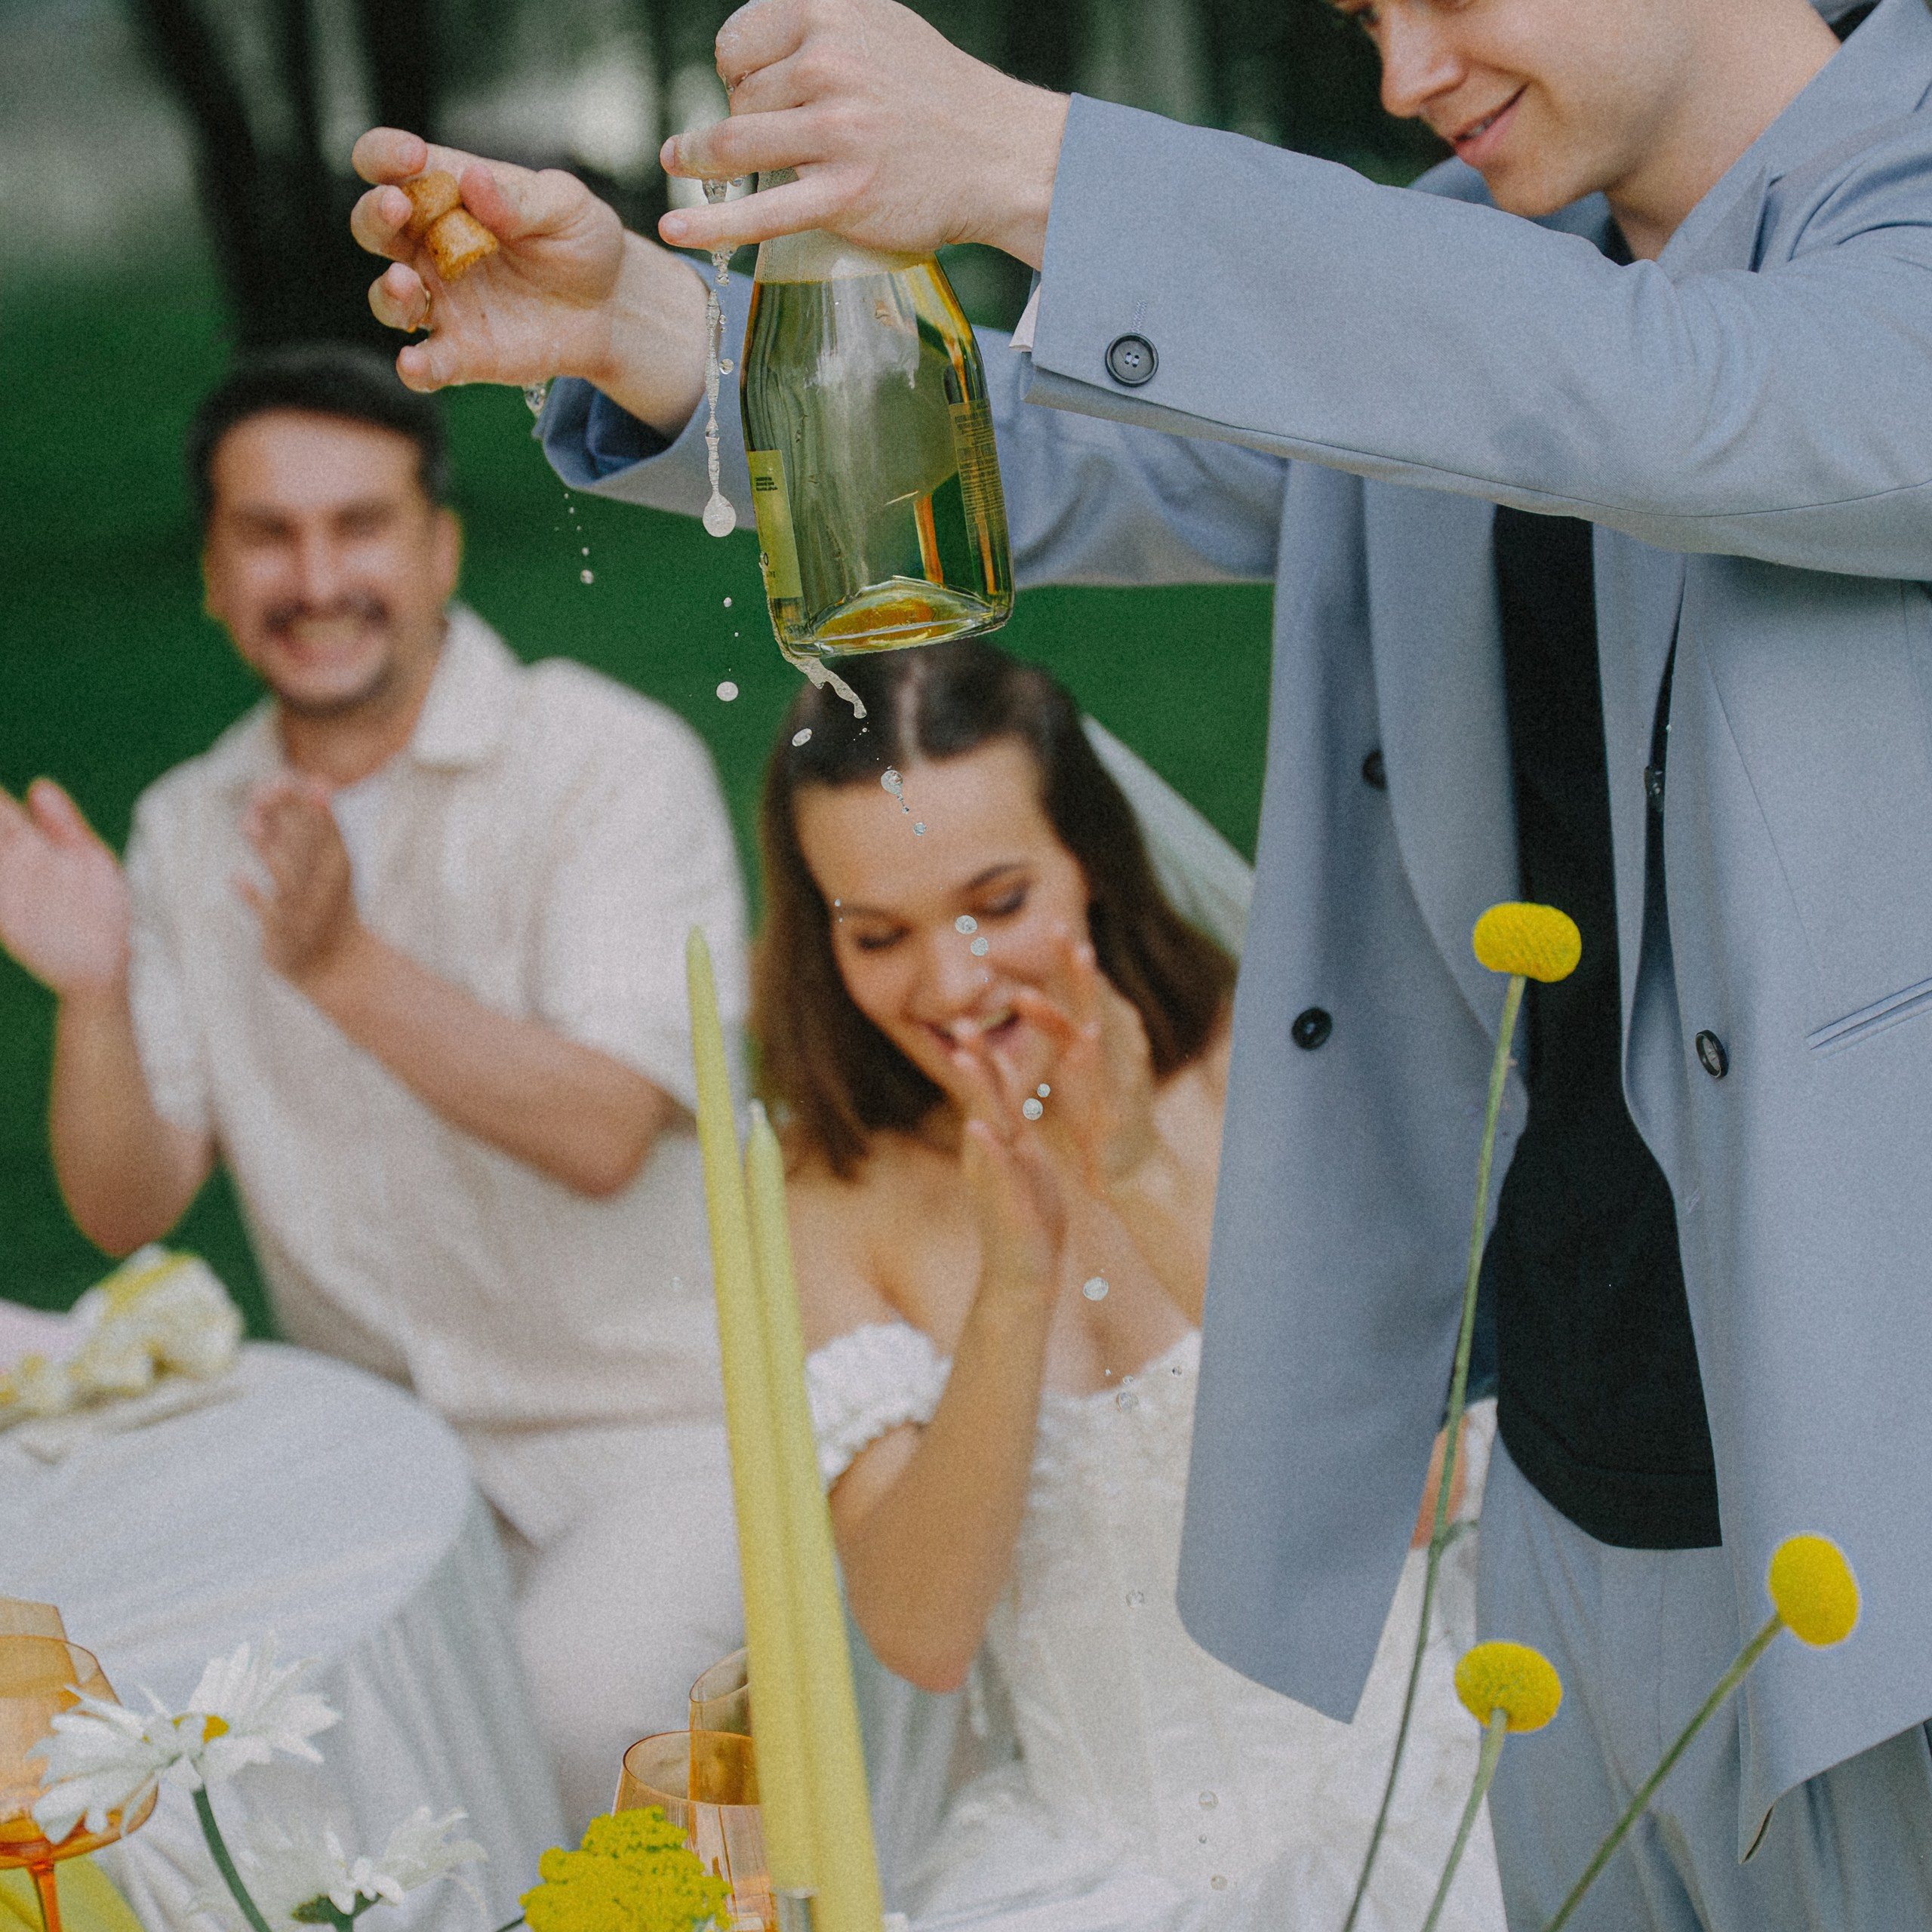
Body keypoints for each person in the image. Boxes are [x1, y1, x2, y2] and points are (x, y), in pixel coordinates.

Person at [344, 0, 1932, 1920]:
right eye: (1362, 16)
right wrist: (660, 335)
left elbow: (1679, 398)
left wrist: (1031, 162)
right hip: (1560, 1511)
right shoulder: (1461, 276)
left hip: (1880, 1526)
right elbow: (1088, 447)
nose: (1401, 76)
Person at [0, 345, 749, 1831]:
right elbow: (129, 1203)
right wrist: (91, 993)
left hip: (665, 1429)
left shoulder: (605, 762)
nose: (316, 577)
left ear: (439, 548)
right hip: (378, 1463)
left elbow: (604, 1129)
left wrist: (338, 964)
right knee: (188, 1753)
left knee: (569, 1713)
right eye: (267, 535)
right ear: (212, 575)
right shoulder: (186, 823)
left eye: (359, 526)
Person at [760, 637, 1500, 1930]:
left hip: (1425, 1811)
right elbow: (923, 1633)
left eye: (997, 903)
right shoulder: (835, 1198)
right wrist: (1012, 1287)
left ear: (1088, 860)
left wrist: (1142, 1180)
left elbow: (1420, 1490)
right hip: (1085, 1874)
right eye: (879, 935)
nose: (952, 982)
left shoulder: (1272, 1060)